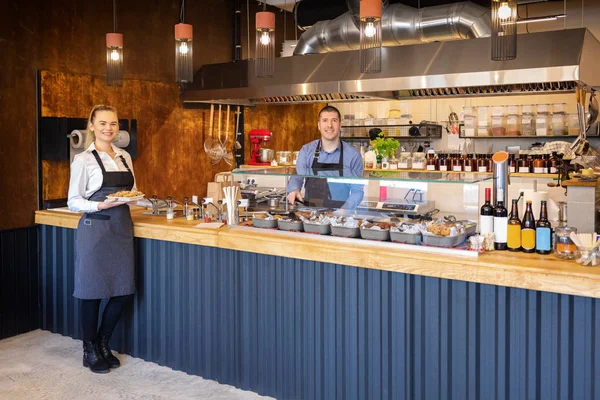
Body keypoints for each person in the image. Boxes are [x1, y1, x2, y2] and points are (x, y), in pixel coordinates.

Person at [67, 105, 137, 374]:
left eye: (114, 123)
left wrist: (130, 199)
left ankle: (103, 342)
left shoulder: (124, 156)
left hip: (121, 227)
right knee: (91, 292)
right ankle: (89, 350)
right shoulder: (83, 160)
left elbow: (131, 190)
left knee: (123, 290)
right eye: (103, 123)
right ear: (92, 125)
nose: (109, 128)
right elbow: (73, 200)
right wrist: (99, 206)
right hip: (94, 228)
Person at [287, 105, 364, 209]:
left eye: (334, 120)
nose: (329, 125)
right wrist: (294, 189)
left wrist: (344, 210)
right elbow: (297, 176)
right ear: (319, 125)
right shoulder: (306, 151)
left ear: (340, 125)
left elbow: (357, 192)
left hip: (340, 215)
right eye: (325, 120)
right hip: (310, 214)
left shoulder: (353, 155)